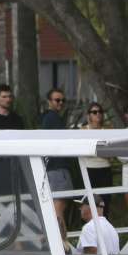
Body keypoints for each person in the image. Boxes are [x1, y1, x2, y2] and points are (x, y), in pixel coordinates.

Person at [41, 88, 77, 238]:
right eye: (57, 100)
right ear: (49, 101)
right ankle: (61, 245)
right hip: (57, 169)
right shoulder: (52, 118)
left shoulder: (48, 118)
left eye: (63, 100)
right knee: (58, 209)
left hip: (52, 169)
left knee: (55, 210)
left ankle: (58, 243)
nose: (61, 103)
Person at [79, 102, 113, 217]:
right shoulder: (83, 130)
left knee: (105, 201)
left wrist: (93, 150)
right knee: (89, 202)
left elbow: (110, 154)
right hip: (89, 169)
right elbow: (82, 151)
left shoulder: (108, 130)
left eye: (100, 112)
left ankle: (104, 229)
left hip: (105, 169)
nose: (97, 114)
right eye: (94, 112)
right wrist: (100, 151)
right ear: (89, 115)